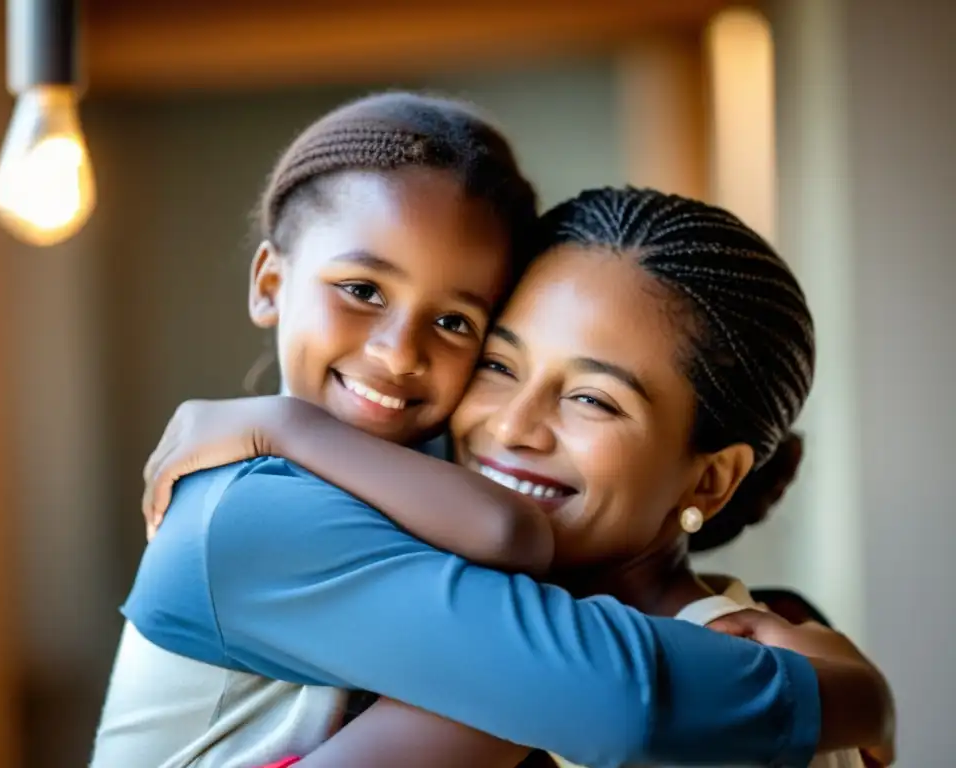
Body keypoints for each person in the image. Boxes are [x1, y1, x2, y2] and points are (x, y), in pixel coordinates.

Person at [94, 118, 892, 768]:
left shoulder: (729, 654)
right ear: (271, 283)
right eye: (503, 367)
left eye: (592, 398)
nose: (510, 427)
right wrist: (854, 696)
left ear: (712, 482)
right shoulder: (252, 511)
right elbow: (599, 692)